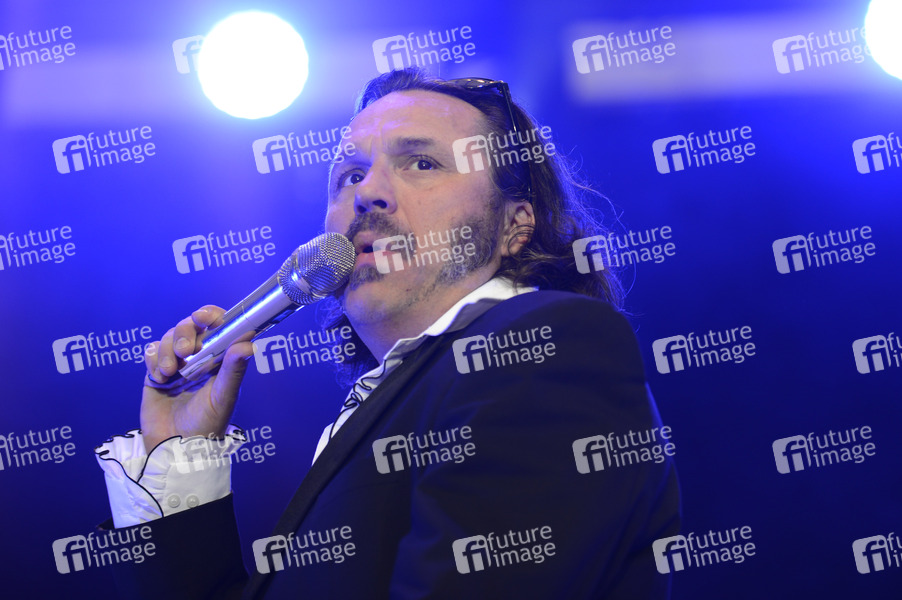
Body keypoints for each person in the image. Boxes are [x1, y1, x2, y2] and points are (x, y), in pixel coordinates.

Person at [95, 67, 680, 599]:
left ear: (514, 226)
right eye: (350, 173)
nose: (366, 193)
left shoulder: (544, 347)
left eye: (421, 163)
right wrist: (178, 460)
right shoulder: (391, 405)